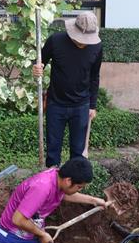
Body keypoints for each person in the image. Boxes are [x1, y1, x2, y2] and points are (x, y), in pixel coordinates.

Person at [33, 11, 103, 167]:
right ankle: (51, 182)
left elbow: (94, 76)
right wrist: (37, 68)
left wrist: (92, 105)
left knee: (78, 152)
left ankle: (73, 185)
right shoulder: (56, 41)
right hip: (56, 104)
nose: (83, 43)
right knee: (53, 150)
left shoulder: (97, 46)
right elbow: (40, 61)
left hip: (81, 106)